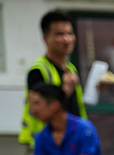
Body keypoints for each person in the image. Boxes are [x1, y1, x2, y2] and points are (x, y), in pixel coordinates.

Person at [20, 10, 86, 148]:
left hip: (73, 140)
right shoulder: (38, 70)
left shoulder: (70, 68)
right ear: (45, 38)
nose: (67, 39)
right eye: (59, 34)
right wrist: (65, 91)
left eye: (70, 33)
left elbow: (74, 106)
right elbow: (38, 110)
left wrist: (94, 91)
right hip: (48, 144)